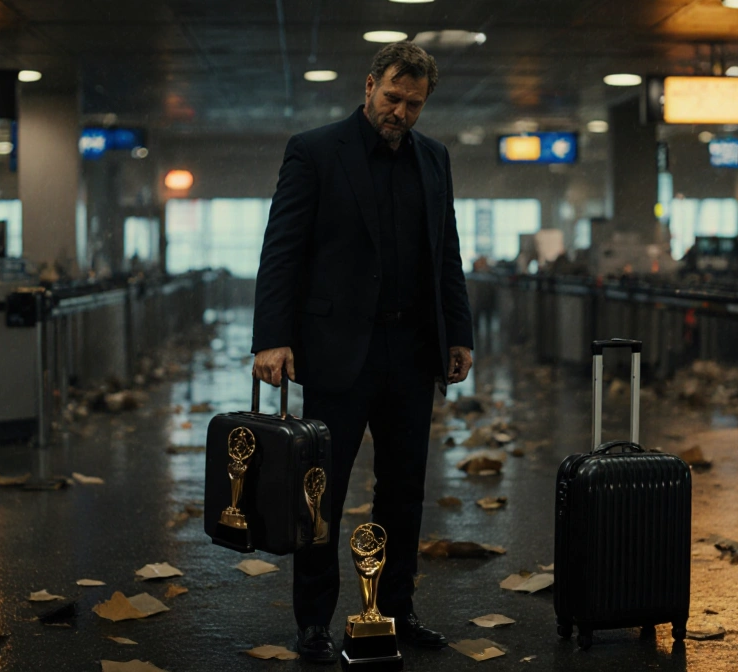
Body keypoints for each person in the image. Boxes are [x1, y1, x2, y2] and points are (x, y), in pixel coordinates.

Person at [250, 42, 473, 664]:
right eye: (392, 98)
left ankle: (395, 612)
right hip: (336, 350)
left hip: (411, 350)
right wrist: (271, 337)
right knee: (320, 491)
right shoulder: (315, 150)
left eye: (413, 104)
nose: (399, 112)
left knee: (403, 493)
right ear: (369, 84)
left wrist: (460, 332)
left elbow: (445, 253)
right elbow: (282, 251)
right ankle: (314, 623)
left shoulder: (435, 158)